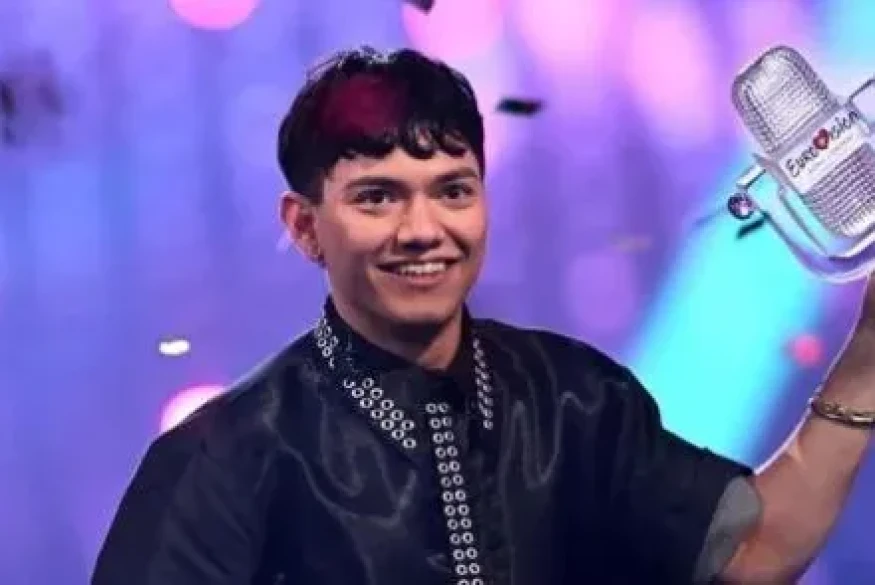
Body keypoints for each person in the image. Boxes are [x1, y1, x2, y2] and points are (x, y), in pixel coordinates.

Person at [91, 46, 875, 585]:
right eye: (377, 197)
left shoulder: (569, 397)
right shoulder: (225, 458)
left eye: (452, 190)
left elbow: (752, 553)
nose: (422, 229)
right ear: (304, 226)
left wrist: (866, 358)